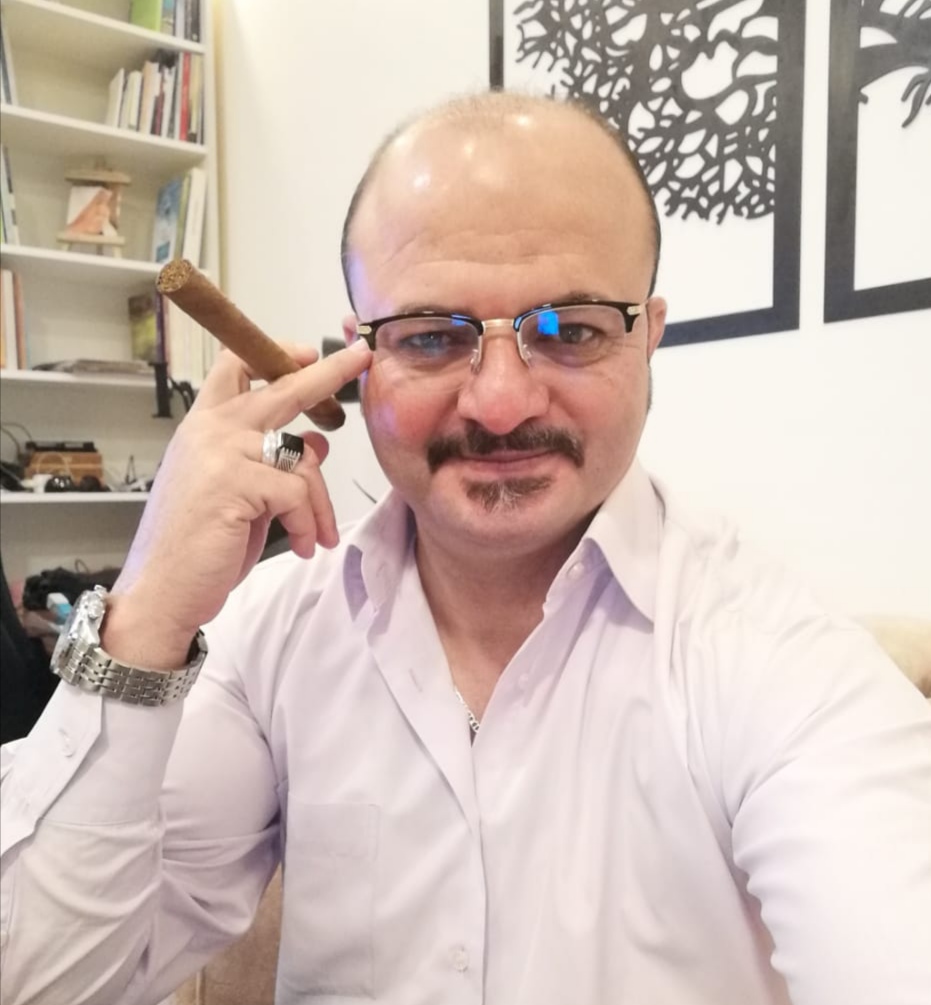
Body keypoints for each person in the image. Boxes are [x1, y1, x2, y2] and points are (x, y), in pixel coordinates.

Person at [1, 90, 929, 1005]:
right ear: (358, 360)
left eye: (570, 330)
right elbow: (45, 986)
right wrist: (147, 614)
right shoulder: (270, 633)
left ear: (647, 339)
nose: (500, 403)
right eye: (433, 337)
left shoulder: (774, 660)